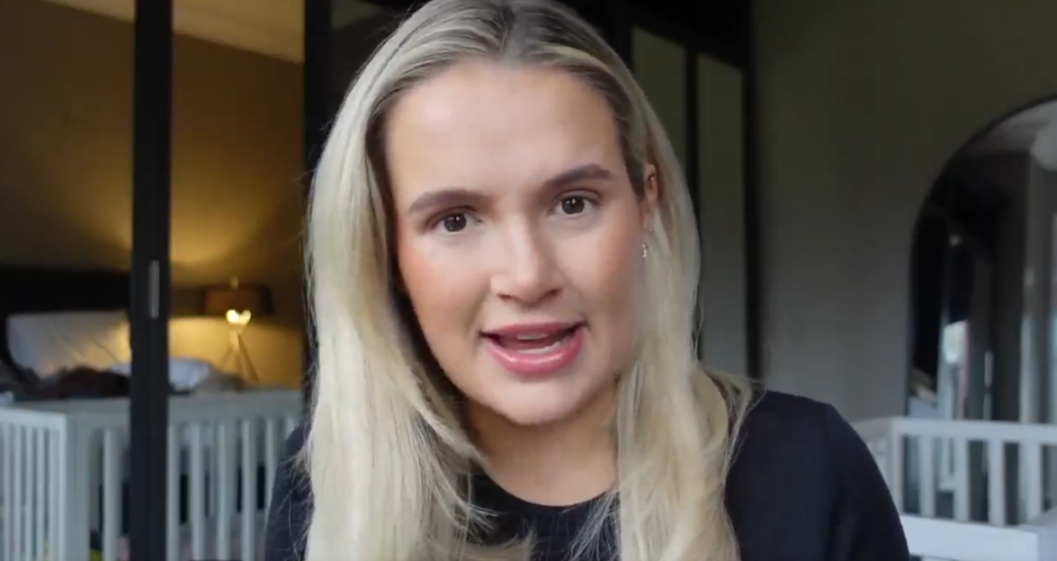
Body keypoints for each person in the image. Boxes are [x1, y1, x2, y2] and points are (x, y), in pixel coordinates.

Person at [264, 0, 909, 559]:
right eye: (455, 219)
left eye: (573, 203)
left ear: (646, 207)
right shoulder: (329, 480)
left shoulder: (808, 468)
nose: (527, 276)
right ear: (385, 253)